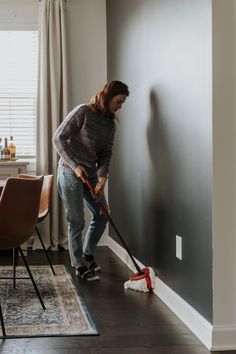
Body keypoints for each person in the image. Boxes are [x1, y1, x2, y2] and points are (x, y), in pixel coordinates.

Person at [53, 80, 129, 281]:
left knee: (102, 214)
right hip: (70, 171)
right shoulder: (83, 112)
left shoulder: (110, 125)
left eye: (122, 103)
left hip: (91, 174)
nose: (119, 106)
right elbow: (58, 138)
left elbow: (106, 154)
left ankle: (87, 253)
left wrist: (102, 178)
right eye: (118, 101)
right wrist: (74, 165)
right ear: (108, 96)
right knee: (76, 219)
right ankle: (78, 264)